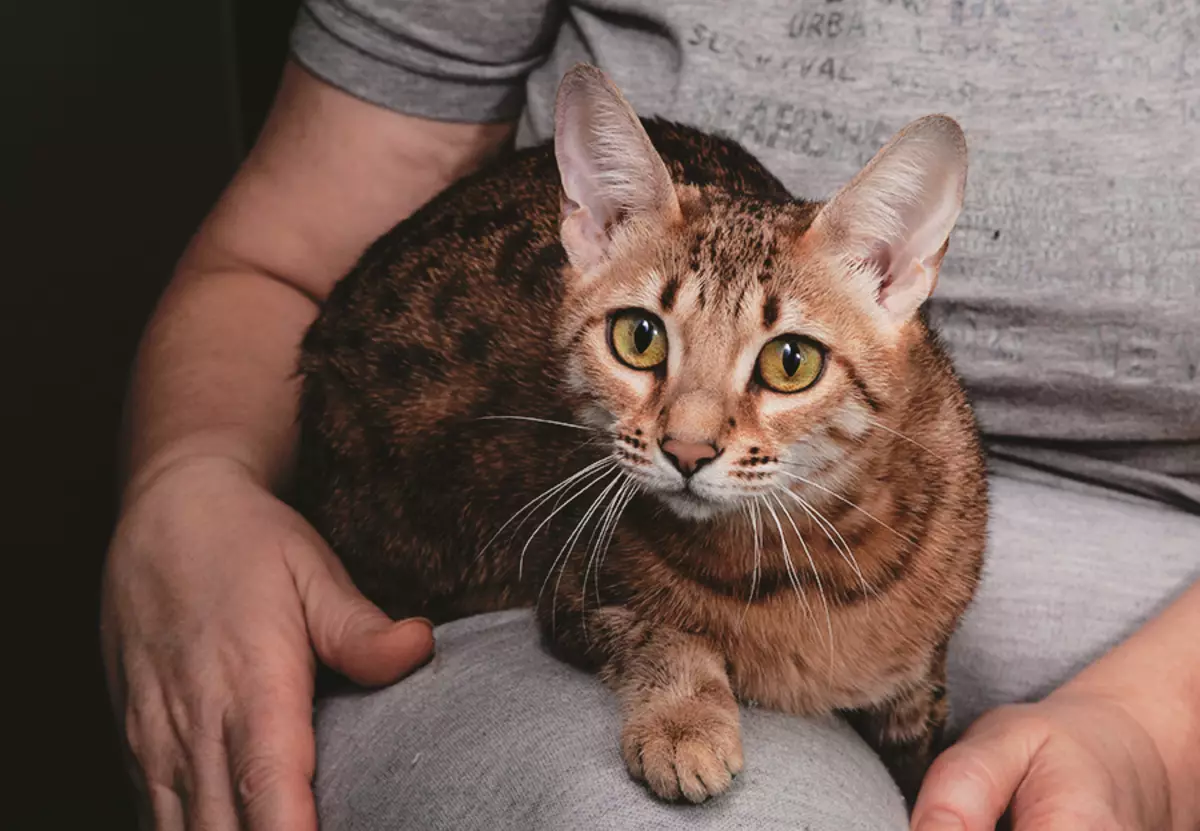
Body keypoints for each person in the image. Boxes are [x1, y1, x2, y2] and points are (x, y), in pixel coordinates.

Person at [101, 0, 1199, 829]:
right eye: (642, 344)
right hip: (493, 574)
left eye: (783, 362)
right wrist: (188, 481)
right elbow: (282, 262)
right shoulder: (630, 471)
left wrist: (1151, 736)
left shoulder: (913, 440)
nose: (689, 436)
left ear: (899, 277)